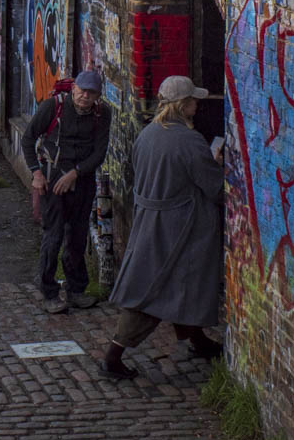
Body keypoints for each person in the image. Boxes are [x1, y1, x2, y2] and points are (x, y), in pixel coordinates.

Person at [104, 75, 224, 379]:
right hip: (180, 226)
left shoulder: (147, 134)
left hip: (150, 221)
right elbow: (213, 186)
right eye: (194, 101)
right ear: (183, 105)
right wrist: (216, 163)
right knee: (153, 288)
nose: (198, 105)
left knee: (182, 283)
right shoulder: (189, 140)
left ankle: (195, 338)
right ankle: (113, 356)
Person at [22, 69, 112, 315]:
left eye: (91, 93)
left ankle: (76, 290)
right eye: (81, 90)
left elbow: (99, 153)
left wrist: (76, 173)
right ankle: (49, 292)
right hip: (52, 179)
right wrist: (37, 174)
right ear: (73, 89)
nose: (85, 96)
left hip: (81, 180)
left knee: (78, 236)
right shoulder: (54, 107)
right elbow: (28, 139)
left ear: (97, 96)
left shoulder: (102, 114)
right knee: (54, 236)